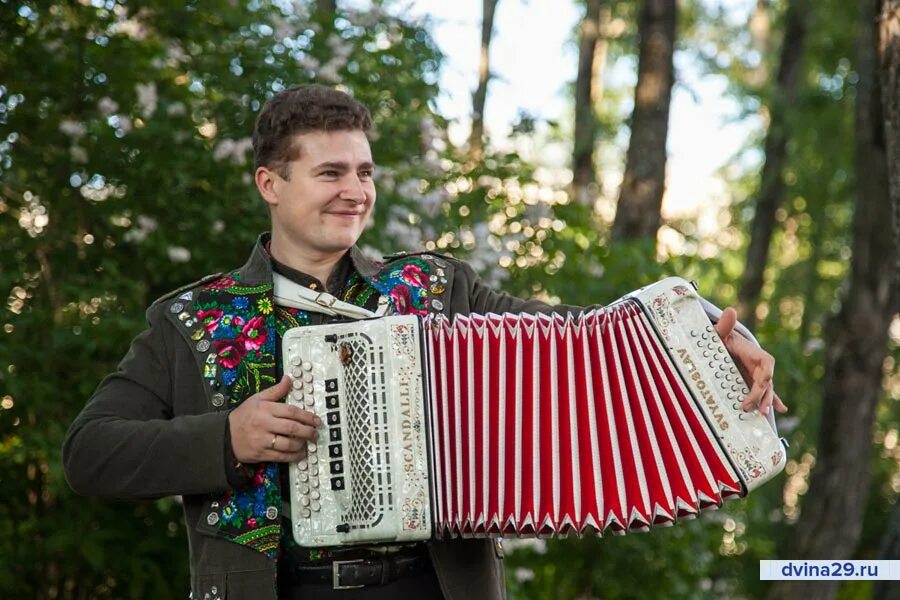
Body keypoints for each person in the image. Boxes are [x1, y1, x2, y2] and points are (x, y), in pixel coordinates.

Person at [63, 84, 786, 600]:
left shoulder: (433, 289)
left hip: (432, 586)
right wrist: (228, 436)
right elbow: (90, 454)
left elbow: (584, 330)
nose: (355, 190)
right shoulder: (193, 320)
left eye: (365, 173)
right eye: (331, 172)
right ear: (270, 184)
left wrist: (719, 333)